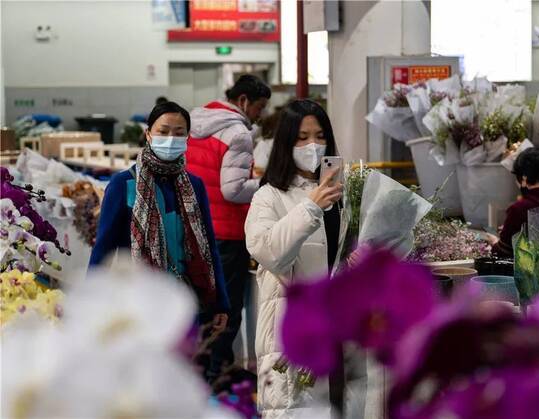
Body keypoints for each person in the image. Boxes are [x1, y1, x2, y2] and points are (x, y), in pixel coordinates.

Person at [89, 101, 230, 377]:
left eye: (179, 133)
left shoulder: (194, 186)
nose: (171, 139)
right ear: (148, 135)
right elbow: (103, 249)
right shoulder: (123, 184)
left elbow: (209, 247)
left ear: (188, 138)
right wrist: (92, 304)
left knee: (185, 374)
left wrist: (220, 303)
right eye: (164, 131)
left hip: (187, 302)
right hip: (138, 303)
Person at [245, 99, 350, 418]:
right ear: (286, 142)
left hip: (339, 329)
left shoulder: (343, 195)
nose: (313, 145)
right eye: (302, 137)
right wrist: (310, 206)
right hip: (289, 332)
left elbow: (337, 257)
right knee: (294, 410)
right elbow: (267, 250)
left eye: (320, 136)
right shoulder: (269, 196)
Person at [186, 74, 271, 380]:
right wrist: (267, 184)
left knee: (201, 307)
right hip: (225, 233)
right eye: (259, 107)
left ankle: (197, 371)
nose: (259, 115)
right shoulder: (238, 133)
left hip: (194, 228)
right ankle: (218, 376)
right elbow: (232, 190)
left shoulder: (195, 122)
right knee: (226, 310)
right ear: (244, 101)